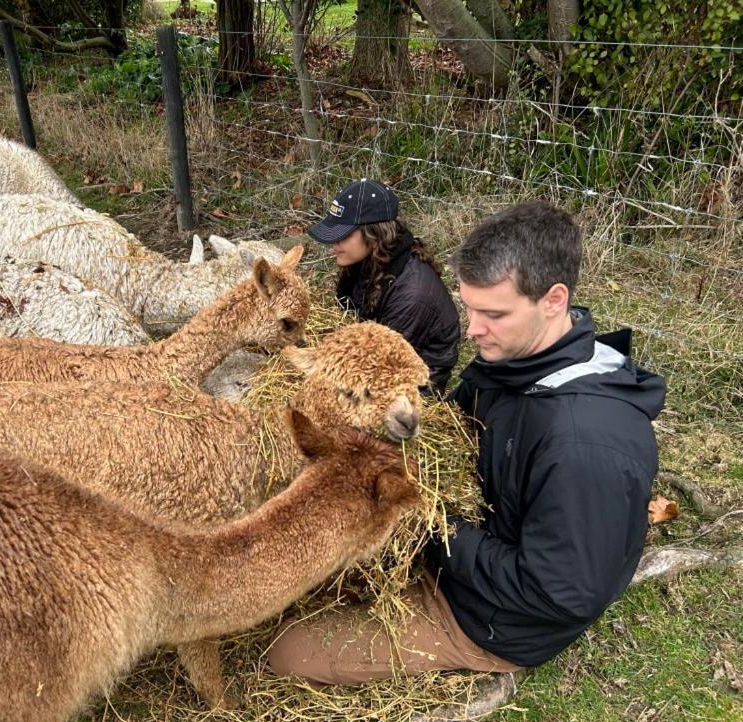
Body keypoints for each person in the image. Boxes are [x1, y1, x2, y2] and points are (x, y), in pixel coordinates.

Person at [268, 200, 666, 684]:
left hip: (493, 618)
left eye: (493, 313)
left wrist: (433, 522)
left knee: (284, 648)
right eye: (470, 308)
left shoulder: (586, 448)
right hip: (470, 538)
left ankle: (461, 645)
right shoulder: (513, 356)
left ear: (554, 300)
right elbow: (451, 428)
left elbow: (558, 593)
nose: (473, 330)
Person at [308, 179, 460, 394]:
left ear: (374, 233)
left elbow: (381, 366)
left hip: (411, 389)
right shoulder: (371, 260)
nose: (334, 244)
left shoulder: (412, 295)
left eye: (344, 234)